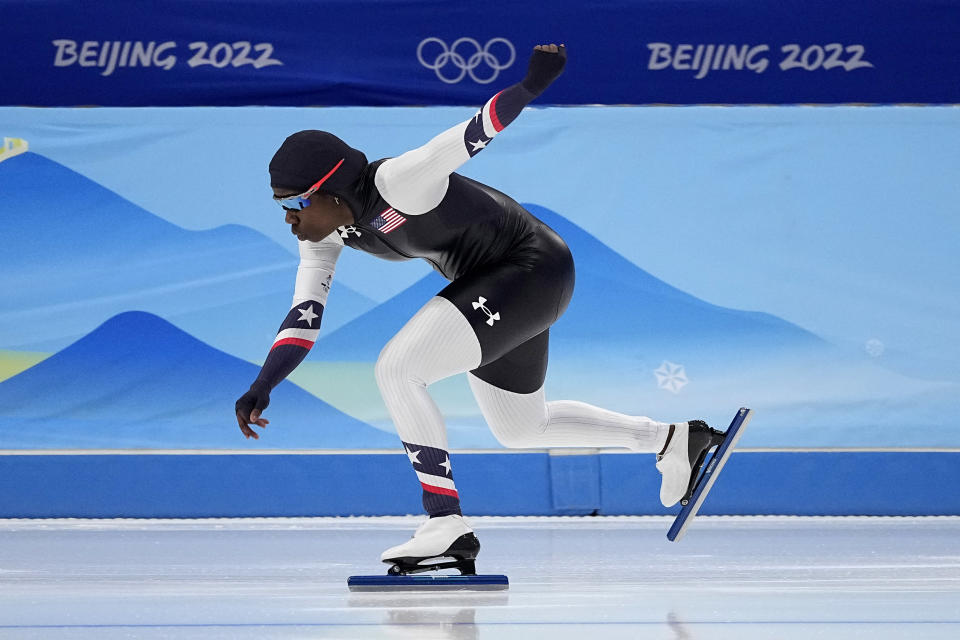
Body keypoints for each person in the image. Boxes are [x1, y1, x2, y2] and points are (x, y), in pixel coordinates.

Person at [235, 44, 722, 575]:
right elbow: (305, 317)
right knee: (521, 428)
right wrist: (264, 383)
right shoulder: (327, 235)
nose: (288, 218)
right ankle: (673, 438)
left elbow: (470, 135)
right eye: (281, 206)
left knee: (398, 369)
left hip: (530, 267)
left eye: (293, 203)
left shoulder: (397, 183)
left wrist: (532, 86)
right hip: (500, 286)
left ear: (328, 189)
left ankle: (445, 522)